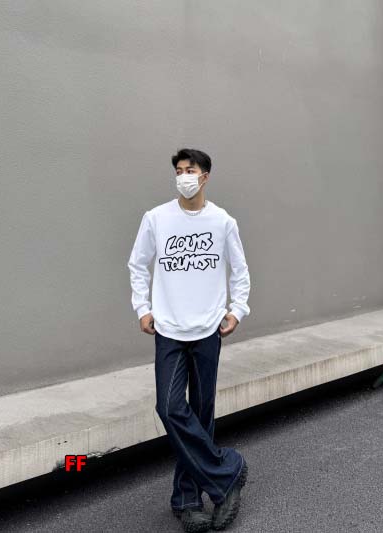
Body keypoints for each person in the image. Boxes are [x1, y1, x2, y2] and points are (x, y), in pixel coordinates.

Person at [127, 148, 251, 532]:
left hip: (209, 329)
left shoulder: (223, 222)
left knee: (200, 414)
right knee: (169, 408)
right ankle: (227, 472)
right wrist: (142, 308)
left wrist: (237, 310)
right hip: (168, 329)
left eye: (190, 170)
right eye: (179, 171)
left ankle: (186, 500)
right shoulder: (156, 218)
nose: (183, 176)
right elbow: (137, 264)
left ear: (205, 176)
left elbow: (240, 270)